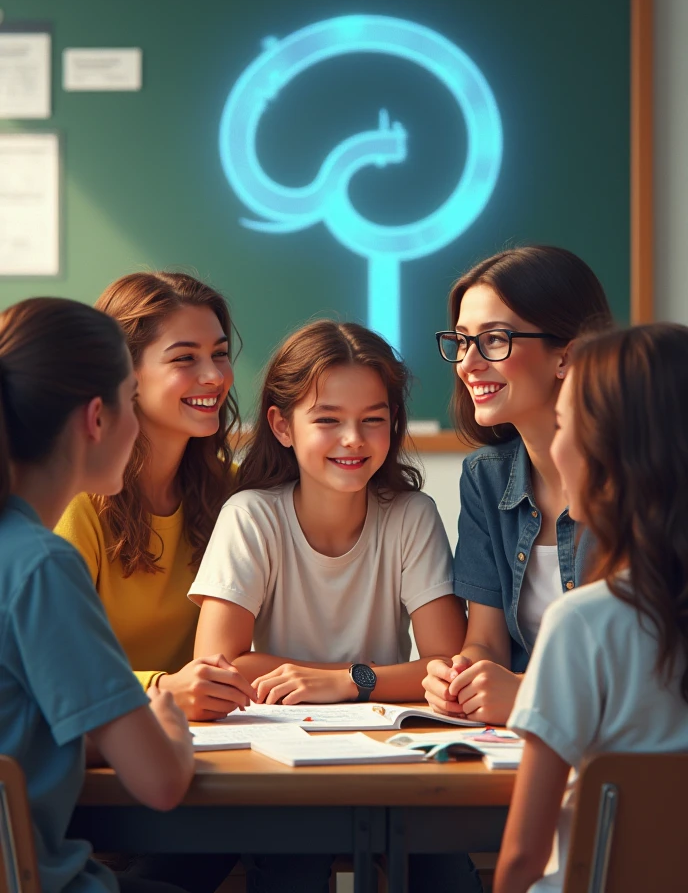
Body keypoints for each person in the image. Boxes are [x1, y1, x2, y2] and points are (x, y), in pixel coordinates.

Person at [190, 319, 476, 893]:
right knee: (291, 865)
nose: (354, 439)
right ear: (282, 425)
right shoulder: (252, 516)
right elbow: (219, 672)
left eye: (374, 419)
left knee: (446, 874)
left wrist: (347, 682)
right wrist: (374, 678)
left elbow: (449, 670)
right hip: (272, 767)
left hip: (387, 760)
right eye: (328, 420)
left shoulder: (411, 515)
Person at [0, 296, 196, 893]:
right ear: (97, 418)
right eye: (131, 399)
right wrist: (173, 732)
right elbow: (160, 783)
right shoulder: (42, 565)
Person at [494, 322, 688, 892]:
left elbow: (522, 860)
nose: (553, 447)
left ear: (609, 453)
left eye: (562, 424)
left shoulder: (585, 622)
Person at [423, 246, 612, 725]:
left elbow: (651, 671)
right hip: (521, 740)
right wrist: (463, 676)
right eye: (462, 341)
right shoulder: (485, 477)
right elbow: (487, 640)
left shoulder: (646, 481)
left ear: (566, 356)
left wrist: (529, 693)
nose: (468, 363)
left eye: (494, 340)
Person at [55, 272, 253, 721]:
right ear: (125, 374)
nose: (214, 376)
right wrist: (160, 687)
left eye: (219, 354)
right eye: (185, 358)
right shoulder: (74, 499)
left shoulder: (235, 492)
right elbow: (51, 664)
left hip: (201, 736)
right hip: (102, 736)